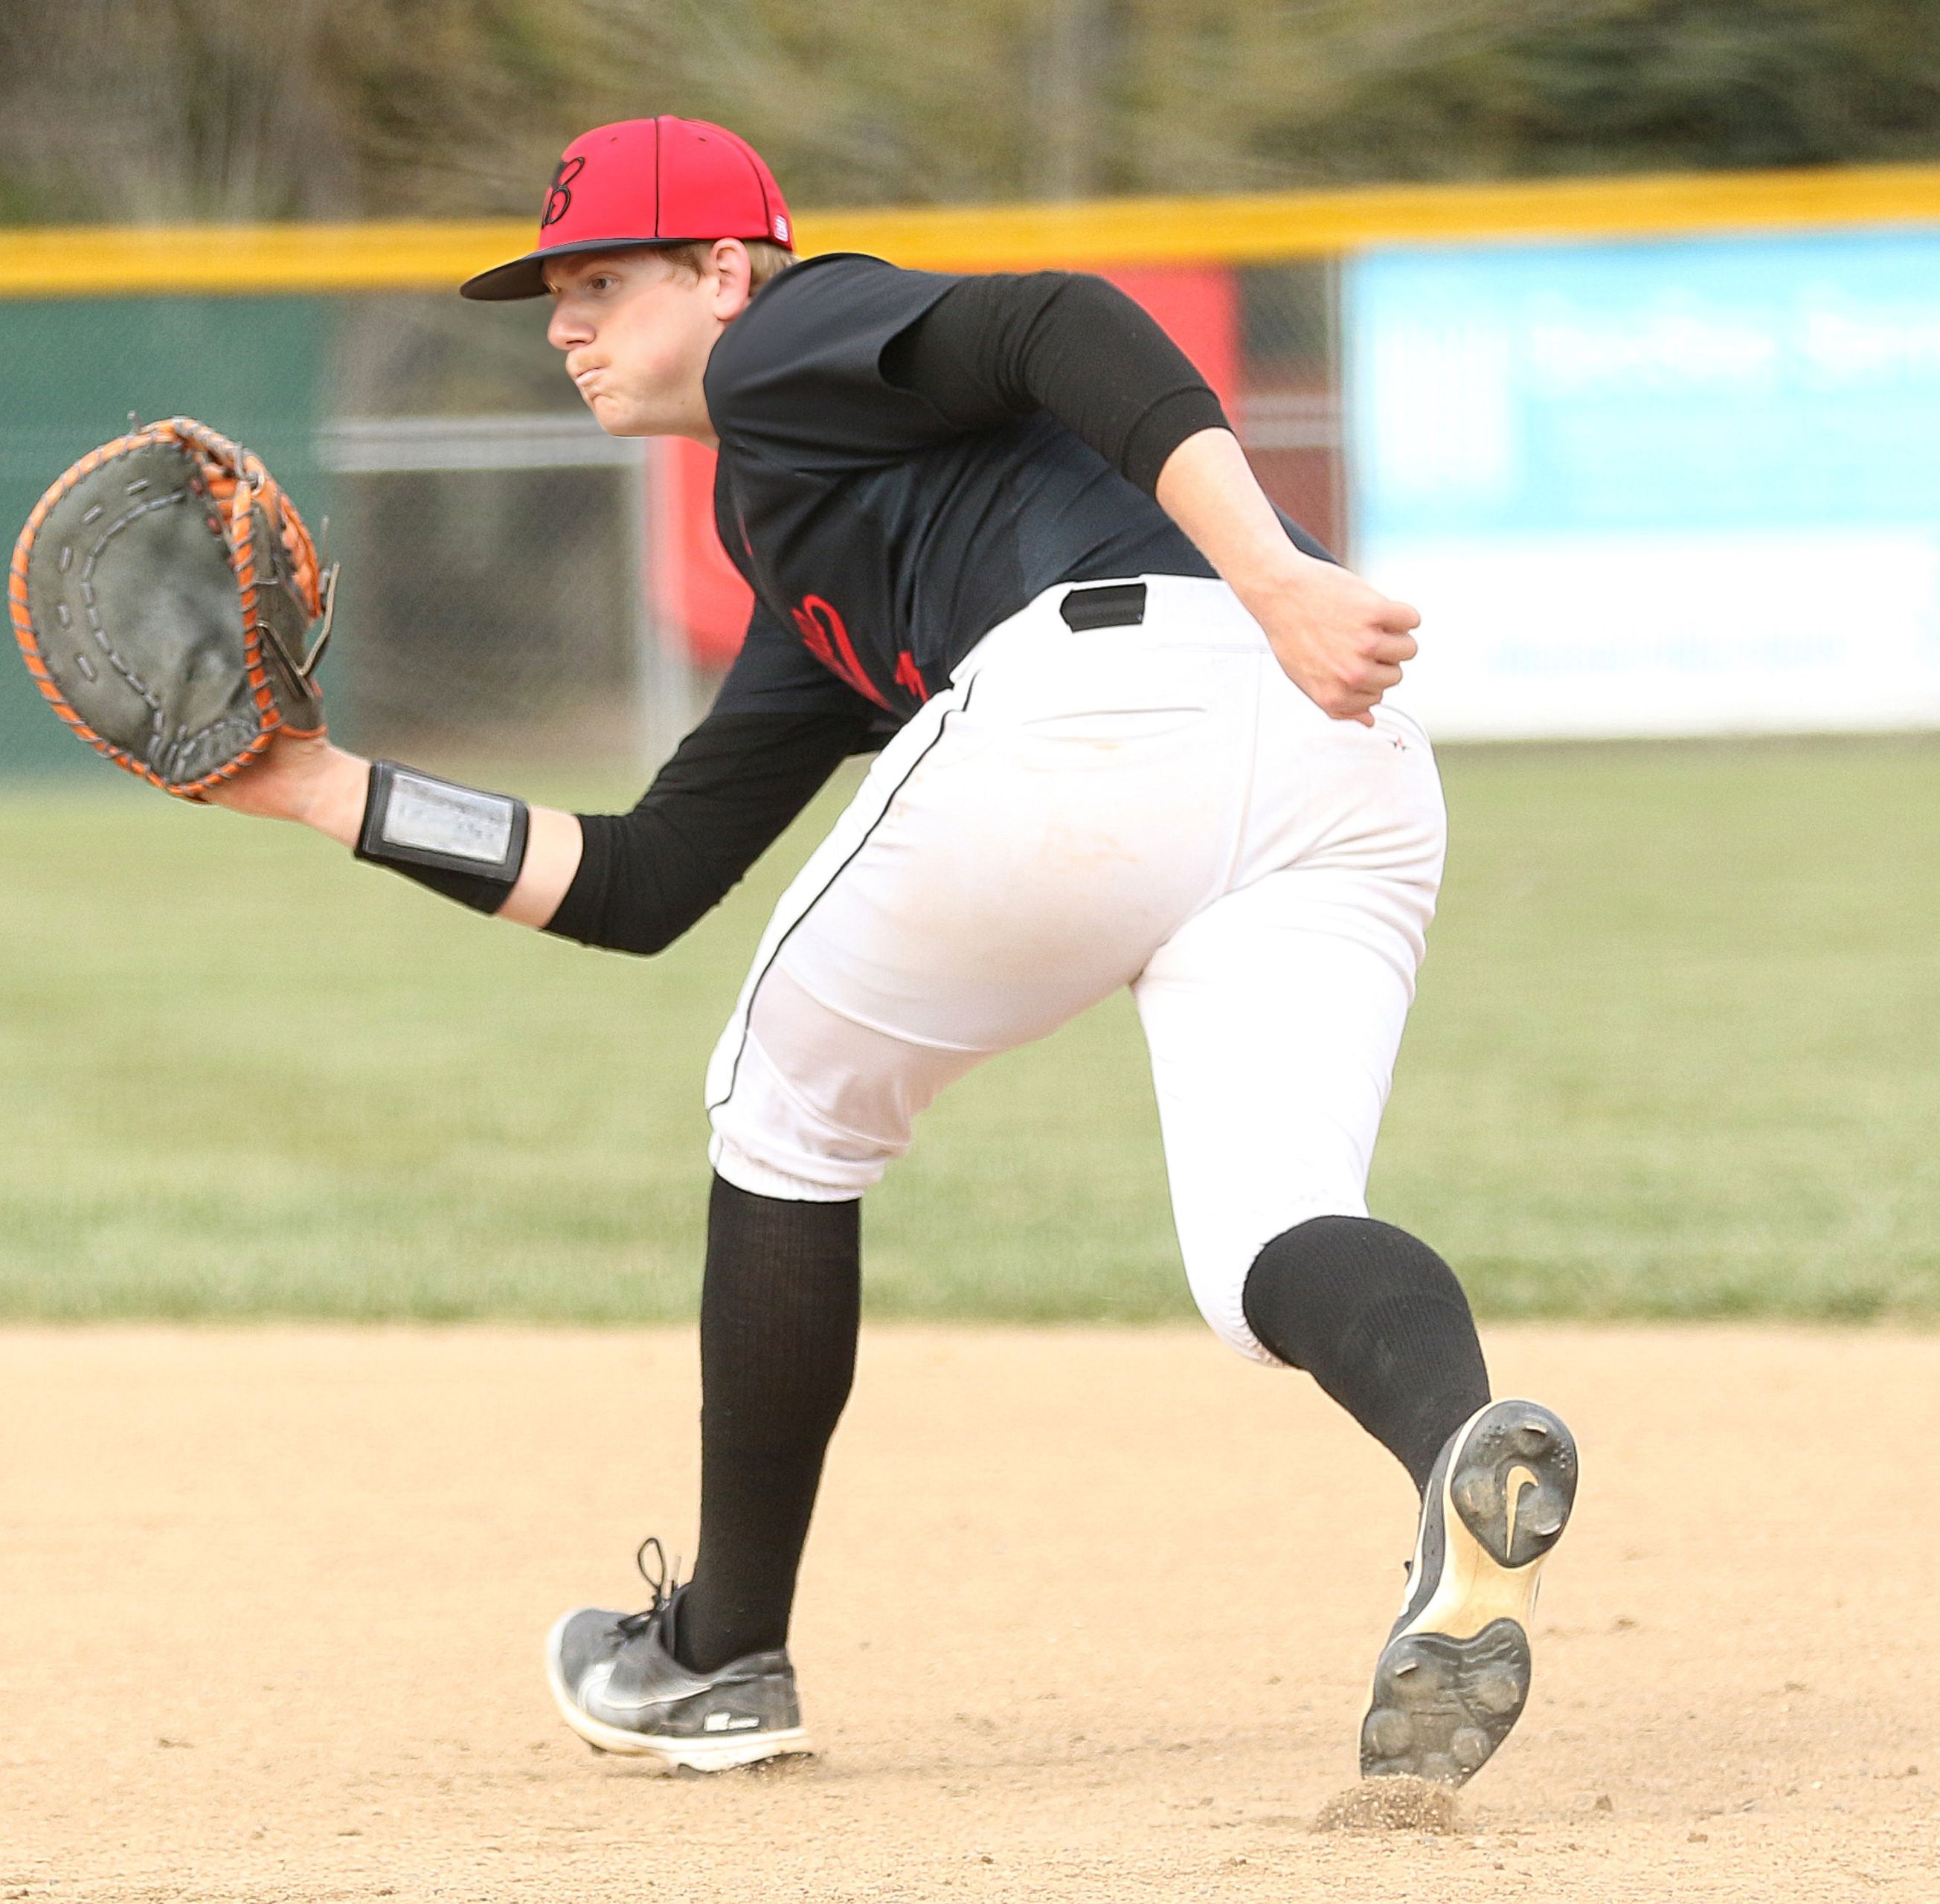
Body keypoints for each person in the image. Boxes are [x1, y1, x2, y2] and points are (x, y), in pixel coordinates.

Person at [211, 115, 1577, 1787]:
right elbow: (644, 876)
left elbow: (1060, 319)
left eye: (600, 280)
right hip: (1336, 766)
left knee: (782, 1112)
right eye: (552, 293)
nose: (565, 323)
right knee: (1268, 1243)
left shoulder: (786, 335)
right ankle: (1460, 1456)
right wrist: (313, 787)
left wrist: (1277, 569)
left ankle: (719, 1655)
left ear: (725, 272)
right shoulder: (807, 543)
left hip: (1147, 673)